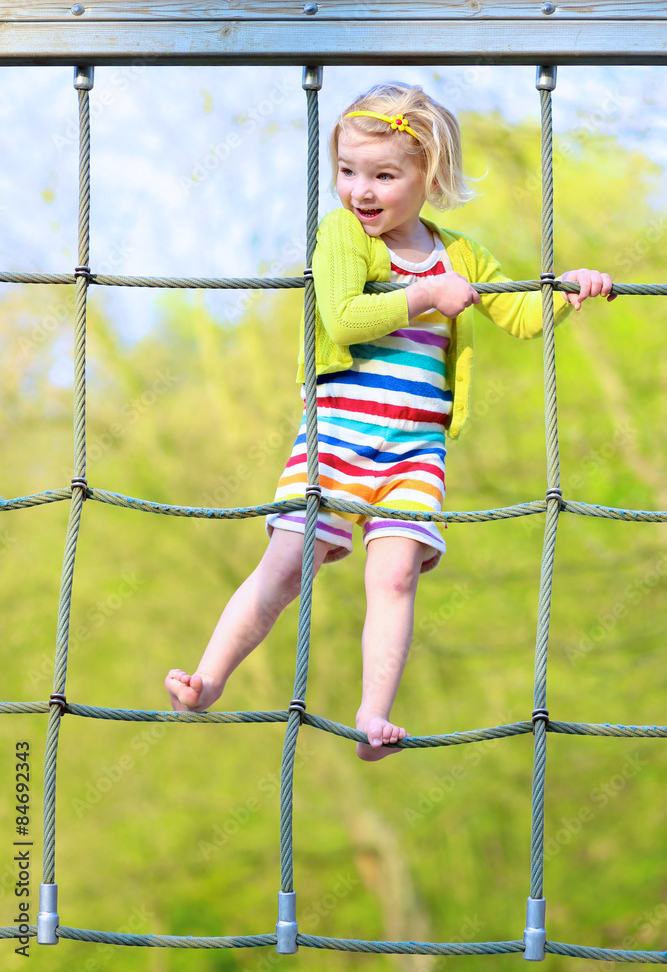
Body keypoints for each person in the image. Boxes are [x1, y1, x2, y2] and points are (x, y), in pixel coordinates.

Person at [166, 83, 614, 761]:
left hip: (413, 449)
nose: (360, 191)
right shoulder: (343, 236)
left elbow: (519, 318)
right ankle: (207, 679)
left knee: (396, 577)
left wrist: (566, 292)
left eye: (382, 175)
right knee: (288, 564)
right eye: (347, 172)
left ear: (428, 177)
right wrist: (424, 296)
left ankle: (373, 719)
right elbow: (342, 315)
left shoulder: (459, 253)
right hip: (338, 440)